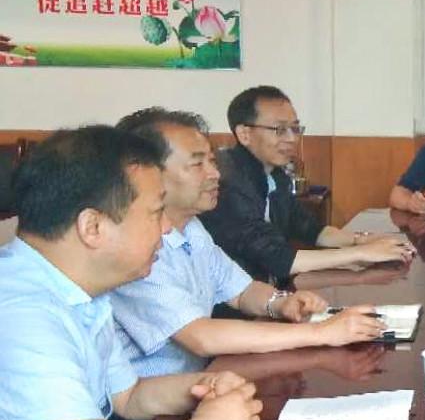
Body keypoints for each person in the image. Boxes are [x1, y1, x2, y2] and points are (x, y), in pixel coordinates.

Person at [0, 127, 261, 420]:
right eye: (156, 213)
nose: (166, 228)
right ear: (93, 227)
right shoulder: (22, 313)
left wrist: (202, 386)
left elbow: (128, 396)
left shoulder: (79, 290)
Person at [109, 108, 388, 379]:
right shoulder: (136, 250)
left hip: (202, 381)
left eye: (212, 162)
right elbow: (201, 337)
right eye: (197, 164)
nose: (214, 174)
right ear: (147, 174)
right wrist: (322, 333)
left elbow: (241, 291)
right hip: (155, 402)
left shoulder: (192, 228)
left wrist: (282, 303)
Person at [201, 85, 414, 282]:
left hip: (268, 293)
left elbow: (311, 229)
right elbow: (279, 258)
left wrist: (364, 240)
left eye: (295, 129)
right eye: (280, 129)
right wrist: (361, 253)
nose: (292, 139)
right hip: (235, 304)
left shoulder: (275, 175)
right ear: (245, 134)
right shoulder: (227, 183)